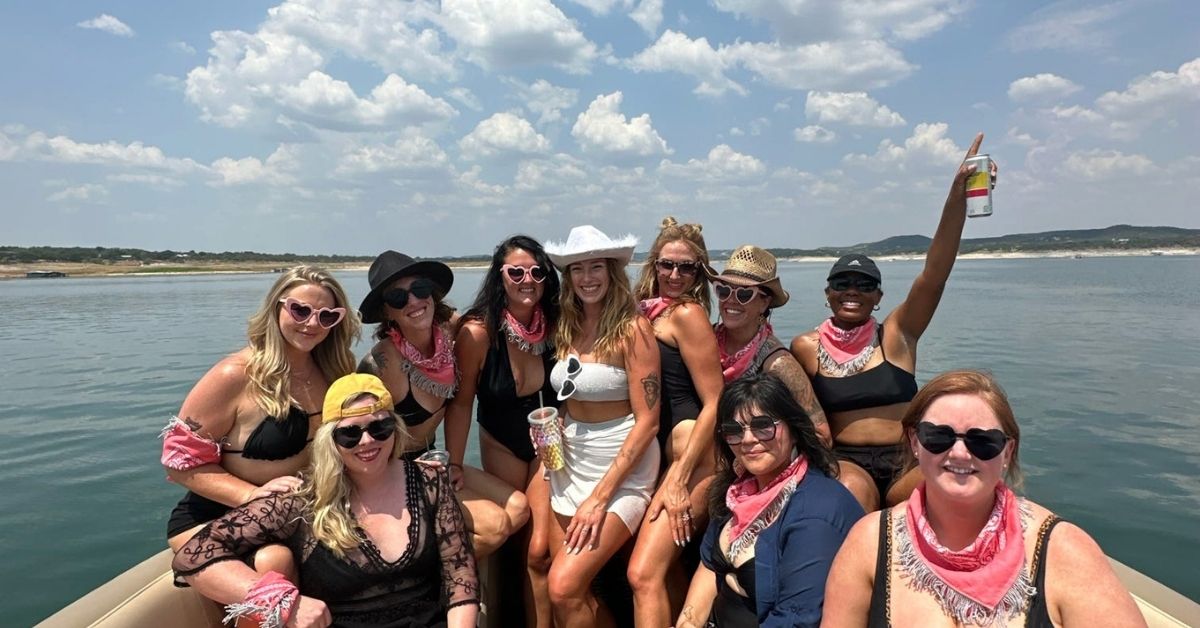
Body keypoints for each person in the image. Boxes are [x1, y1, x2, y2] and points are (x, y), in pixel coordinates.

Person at [822, 370, 1146, 627]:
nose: (960, 453)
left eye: (983, 441)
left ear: (1008, 451)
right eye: (939, 436)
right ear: (915, 442)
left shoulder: (1064, 551)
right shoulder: (869, 542)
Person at [790, 133, 998, 511]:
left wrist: (957, 197)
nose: (852, 290)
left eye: (864, 285)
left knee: (957, 479)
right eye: (842, 283)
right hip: (846, 461)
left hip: (908, 459)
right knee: (853, 497)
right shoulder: (806, 347)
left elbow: (934, 274)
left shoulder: (898, 335)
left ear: (878, 297)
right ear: (828, 293)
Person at [173, 373, 480, 628]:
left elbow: (460, 577)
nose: (367, 441)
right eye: (350, 434)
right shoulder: (302, 499)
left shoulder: (430, 481)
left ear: (395, 429)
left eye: (380, 427)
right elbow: (193, 556)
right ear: (330, 440)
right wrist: (284, 602)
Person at [162, 265, 359, 582]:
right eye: (300, 310)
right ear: (277, 307)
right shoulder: (235, 374)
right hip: (216, 516)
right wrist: (251, 496)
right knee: (274, 561)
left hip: (299, 512)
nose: (312, 323)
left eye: (326, 316)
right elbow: (179, 465)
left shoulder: (336, 370)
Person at [357, 250, 525, 559]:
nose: (413, 301)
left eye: (419, 289)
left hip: (434, 458)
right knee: (495, 525)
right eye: (397, 297)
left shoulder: (449, 332)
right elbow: (355, 434)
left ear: (432, 295)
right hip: (395, 468)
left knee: (519, 508)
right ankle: (432, 579)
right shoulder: (383, 363)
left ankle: (443, 570)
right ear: (387, 312)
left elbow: (498, 321)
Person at [542, 225, 661, 627]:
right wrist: (553, 428)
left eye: (596, 267)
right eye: (578, 269)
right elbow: (573, 397)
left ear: (612, 273)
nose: (587, 278)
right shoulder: (566, 325)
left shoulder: (633, 329)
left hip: (621, 468)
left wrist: (599, 498)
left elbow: (648, 421)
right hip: (570, 463)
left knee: (562, 585)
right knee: (572, 589)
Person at [676, 373, 863, 628]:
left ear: (794, 430)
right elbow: (709, 566)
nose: (748, 440)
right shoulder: (737, 491)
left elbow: (796, 619)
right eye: (733, 430)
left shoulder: (817, 511)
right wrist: (687, 623)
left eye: (763, 426)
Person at [446, 235, 561, 627]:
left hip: (547, 445)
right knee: (506, 544)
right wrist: (455, 463)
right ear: (500, 277)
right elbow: (461, 403)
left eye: (536, 271)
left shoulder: (557, 324)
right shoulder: (478, 333)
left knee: (538, 551)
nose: (526, 279)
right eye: (516, 271)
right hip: (499, 441)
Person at [626, 217, 725, 627]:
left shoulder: (687, 315)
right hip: (660, 456)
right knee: (665, 571)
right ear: (654, 264)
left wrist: (681, 477)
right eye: (667, 264)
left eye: (686, 267)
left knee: (642, 573)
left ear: (699, 273)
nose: (674, 274)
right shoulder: (646, 312)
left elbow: (715, 400)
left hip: (693, 458)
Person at [711, 245, 830, 444]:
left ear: (765, 303)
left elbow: (821, 434)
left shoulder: (778, 363)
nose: (731, 300)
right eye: (724, 291)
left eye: (744, 294)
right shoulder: (703, 340)